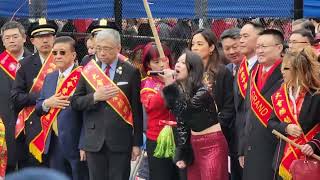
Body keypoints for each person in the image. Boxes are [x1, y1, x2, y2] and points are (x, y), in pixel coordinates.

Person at [71, 29, 143, 180]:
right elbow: (75, 102)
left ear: (118, 48)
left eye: (107, 48)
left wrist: (136, 143)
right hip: (93, 140)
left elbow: (136, 110)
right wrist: (95, 97)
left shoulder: (130, 72)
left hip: (121, 140)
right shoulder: (89, 69)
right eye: (98, 48)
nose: (102, 53)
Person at [162, 50, 228, 180]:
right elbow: (182, 122)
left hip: (212, 144)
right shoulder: (183, 91)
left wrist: (170, 87)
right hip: (194, 145)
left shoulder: (202, 92)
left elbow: (185, 110)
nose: (177, 65)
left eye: (183, 62)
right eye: (178, 62)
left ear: (193, 69)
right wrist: (183, 151)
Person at [34, 36, 88, 180]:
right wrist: (47, 103)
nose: (57, 56)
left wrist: (84, 144)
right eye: (55, 53)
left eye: (62, 53)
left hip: (76, 144)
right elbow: (38, 108)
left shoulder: (84, 76)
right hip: (54, 145)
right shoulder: (50, 78)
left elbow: (88, 115)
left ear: (74, 55)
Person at [11, 18, 58, 167]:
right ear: (32, 41)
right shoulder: (25, 65)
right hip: (34, 128)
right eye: (40, 37)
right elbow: (16, 97)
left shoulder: (64, 60)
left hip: (58, 128)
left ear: (54, 38)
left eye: (48, 36)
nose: (45, 40)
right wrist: (43, 98)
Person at [268, 46, 320, 179]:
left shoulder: (316, 95)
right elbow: (271, 122)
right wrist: (285, 127)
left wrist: (314, 144)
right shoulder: (281, 94)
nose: (282, 72)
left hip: (310, 160)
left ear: (299, 70)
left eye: (286, 68)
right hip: (283, 159)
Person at [242, 29, 284, 180]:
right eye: (258, 47)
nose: (259, 50)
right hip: (250, 146)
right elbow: (246, 111)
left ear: (279, 47)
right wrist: (242, 146)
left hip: (273, 147)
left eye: (264, 47)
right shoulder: (254, 72)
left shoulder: (286, 73)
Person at [189, 28, 234, 169]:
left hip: (214, 136)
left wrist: (216, 127)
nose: (195, 47)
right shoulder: (187, 71)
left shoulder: (222, 72)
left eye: (200, 44)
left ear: (211, 47)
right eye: (193, 44)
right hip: (191, 135)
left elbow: (229, 106)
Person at [140, 42, 180, 180]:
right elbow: (151, 106)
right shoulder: (147, 83)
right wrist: (167, 86)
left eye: (165, 60)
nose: (162, 65)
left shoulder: (179, 78)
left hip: (181, 137)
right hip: (158, 139)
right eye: (156, 62)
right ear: (148, 65)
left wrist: (173, 82)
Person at [0, 21, 31, 173]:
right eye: (7, 38)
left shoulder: (36, 62)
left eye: (15, 36)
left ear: (24, 38)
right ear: (3, 41)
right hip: (4, 123)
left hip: (31, 123)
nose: (11, 40)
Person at [237, 21, 264, 168]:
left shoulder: (263, 68)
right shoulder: (241, 67)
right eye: (240, 36)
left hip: (256, 141)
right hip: (238, 138)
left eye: (245, 36)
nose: (241, 40)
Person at [220, 27, 244, 180]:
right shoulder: (226, 70)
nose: (231, 51)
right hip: (229, 134)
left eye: (235, 47)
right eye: (227, 48)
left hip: (245, 134)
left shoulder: (253, 69)